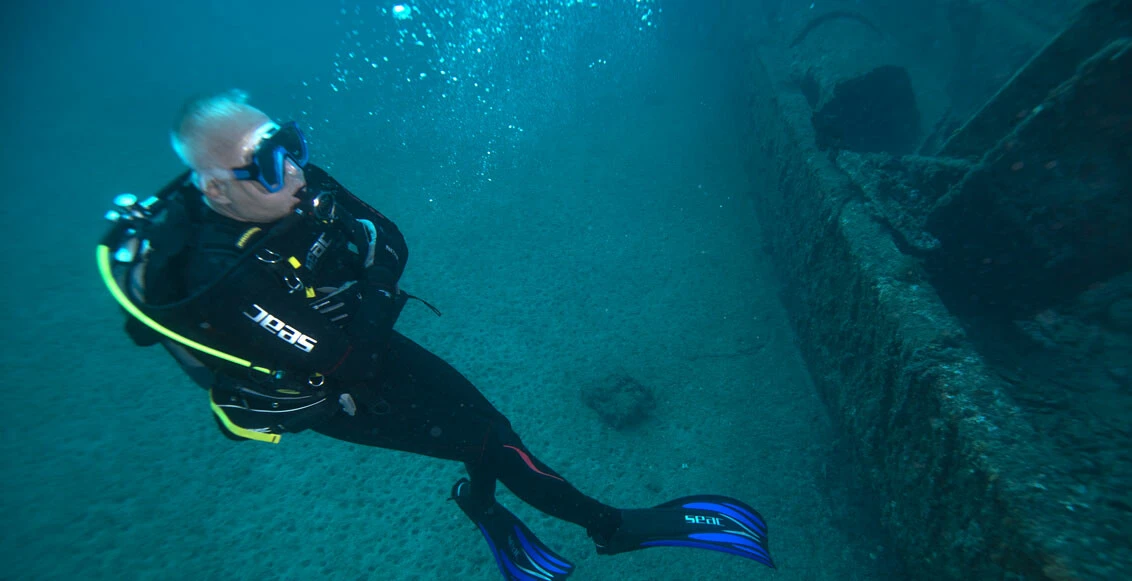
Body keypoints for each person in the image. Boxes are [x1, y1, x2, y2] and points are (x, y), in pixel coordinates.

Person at [98, 90, 774, 580]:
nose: (298, 169)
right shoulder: (229, 281)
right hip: (328, 391)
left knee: (490, 424)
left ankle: (477, 500)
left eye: (292, 144)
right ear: (218, 191)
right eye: (273, 162)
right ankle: (611, 528)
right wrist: (371, 289)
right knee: (492, 437)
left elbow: (388, 239)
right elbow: (351, 359)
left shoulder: (286, 184)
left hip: (348, 338)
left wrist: (369, 287)